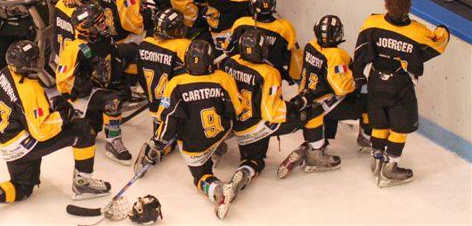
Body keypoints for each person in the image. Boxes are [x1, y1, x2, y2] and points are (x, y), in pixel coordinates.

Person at [0, 40, 111, 223]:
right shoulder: (29, 90)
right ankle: (83, 184)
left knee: (23, 187)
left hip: (8, 142)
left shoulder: (5, 72)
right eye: (35, 60)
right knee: (83, 130)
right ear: (26, 66)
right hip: (25, 144)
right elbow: (41, 132)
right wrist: (63, 116)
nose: (39, 61)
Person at [136, 40, 244, 220]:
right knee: (219, 123)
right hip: (221, 133)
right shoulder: (223, 78)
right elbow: (236, 109)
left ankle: (217, 189)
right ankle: (218, 148)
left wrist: (158, 142)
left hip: (195, 144)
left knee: (200, 176)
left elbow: (167, 117)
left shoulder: (177, 83)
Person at [353, 0, 449, 188]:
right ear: (409, 7)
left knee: (379, 124)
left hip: (376, 82)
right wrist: (443, 30)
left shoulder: (372, 22)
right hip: (400, 87)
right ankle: (390, 169)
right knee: (399, 127)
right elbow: (439, 43)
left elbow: (361, 51)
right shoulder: (418, 31)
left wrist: (359, 77)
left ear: (386, 4)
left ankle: (376, 159)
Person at [277, 15, 370, 178]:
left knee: (325, 107)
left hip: (308, 100)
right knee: (368, 101)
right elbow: (342, 88)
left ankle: (317, 143)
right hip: (323, 104)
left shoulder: (310, 46)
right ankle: (365, 139)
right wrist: (357, 83)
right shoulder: (336, 55)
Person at [56, 3, 133, 165]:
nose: (105, 23)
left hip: (101, 86)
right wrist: (81, 88)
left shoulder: (105, 37)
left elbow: (112, 59)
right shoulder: (76, 49)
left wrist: (119, 82)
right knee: (112, 103)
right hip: (84, 94)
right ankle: (113, 141)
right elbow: (63, 81)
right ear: (88, 28)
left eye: (103, 19)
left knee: (131, 50)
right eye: (100, 22)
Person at [222, 28, 288, 203]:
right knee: (255, 160)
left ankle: (221, 146)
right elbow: (270, 112)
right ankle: (245, 170)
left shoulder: (229, 62)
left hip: (228, 123)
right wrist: (289, 109)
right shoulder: (270, 73)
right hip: (252, 127)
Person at [227, 0, 302, 85]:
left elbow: (228, 48)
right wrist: (295, 79)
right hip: (273, 77)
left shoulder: (241, 23)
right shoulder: (285, 28)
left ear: (252, 6)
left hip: (241, 74)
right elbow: (295, 57)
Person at [135, 8, 191, 133]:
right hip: (174, 106)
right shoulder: (182, 45)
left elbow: (140, 75)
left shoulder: (144, 44)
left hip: (154, 104)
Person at [51, 0, 99, 66]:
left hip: (61, 55)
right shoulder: (83, 16)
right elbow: (83, 44)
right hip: (76, 59)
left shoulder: (60, 3)